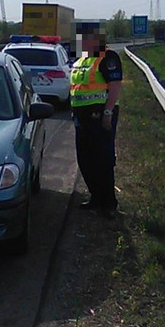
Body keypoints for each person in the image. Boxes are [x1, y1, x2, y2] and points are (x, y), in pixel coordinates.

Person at [69, 20, 123, 219]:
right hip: (81, 117)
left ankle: (109, 203)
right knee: (85, 159)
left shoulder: (107, 57)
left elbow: (115, 85)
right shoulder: (82, 60)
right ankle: (95, 196)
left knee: (103, 160)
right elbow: (77, 88)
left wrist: (108, 113)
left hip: (100, 116)